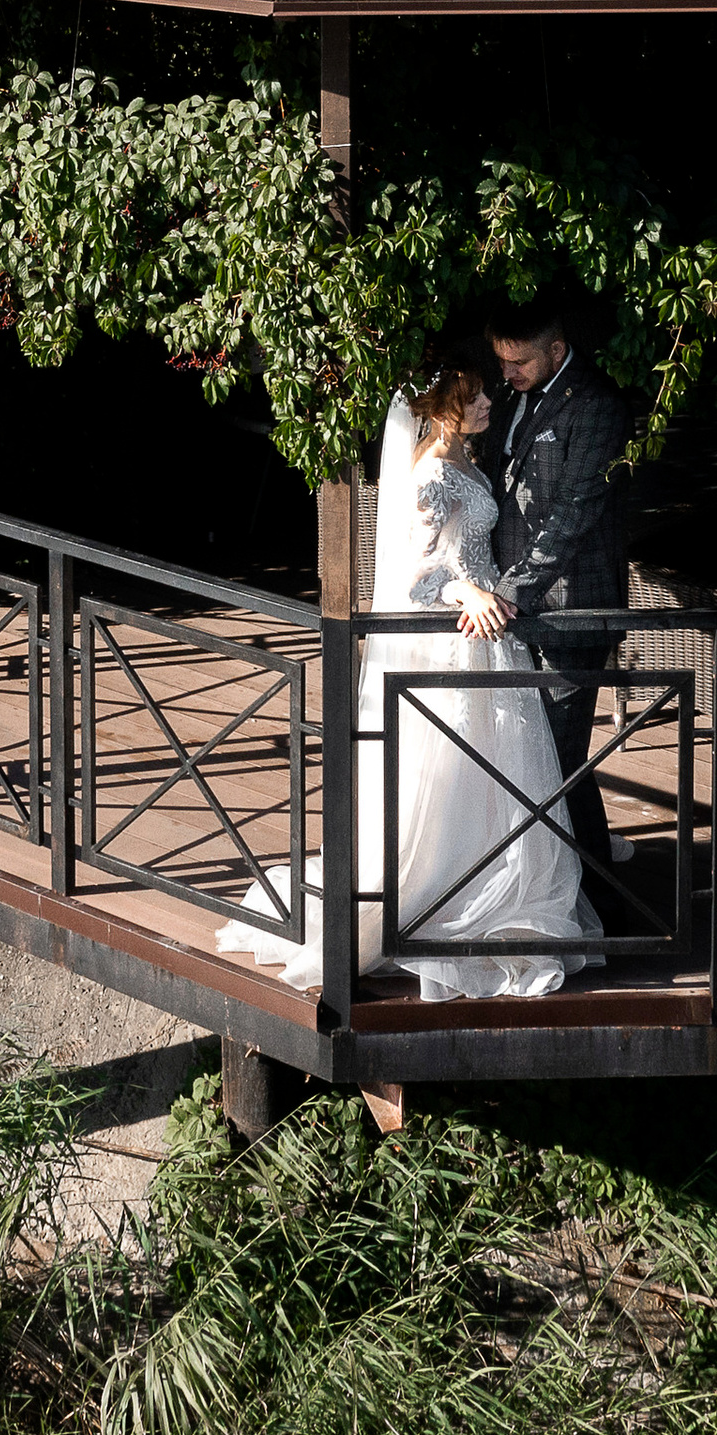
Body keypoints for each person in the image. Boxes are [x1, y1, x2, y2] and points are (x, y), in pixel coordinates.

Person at [216, 348, 600, 1001]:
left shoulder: (464, 460)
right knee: (454, 771)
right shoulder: (431, 476)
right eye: (474, 397)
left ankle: (496, 887)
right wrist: (468, 592)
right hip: (460, 635)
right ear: (444, 406)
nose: (488, 402)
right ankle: (442, 897)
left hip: (488, 634)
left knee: (496, 773)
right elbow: (415, 581)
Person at [483, 299, 633, 869]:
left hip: (572, 606)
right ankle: (579, 879)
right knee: (540, 755)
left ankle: (591, 890)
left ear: (557, 350)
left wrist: (510, 590)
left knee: (559, 755)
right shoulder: (509, 395)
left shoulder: (597, 406)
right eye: (502, 361)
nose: (507, 373)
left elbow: (574, 511)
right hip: (511, 610)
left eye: (518, 362)